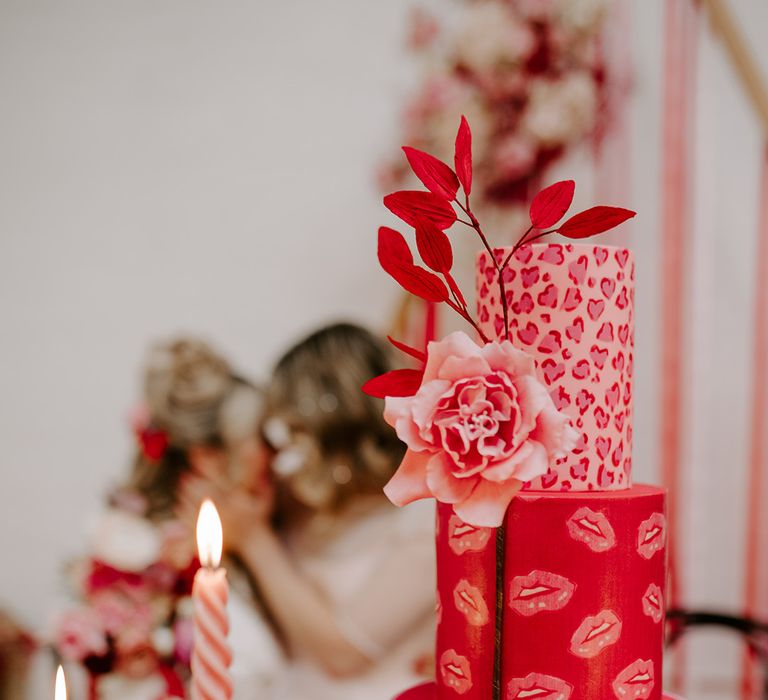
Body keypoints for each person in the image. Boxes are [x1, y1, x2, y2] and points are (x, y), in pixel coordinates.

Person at [179, 323, 436, 700]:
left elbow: (345, 655)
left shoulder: (422, 517)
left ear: (339, 429)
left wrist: (254, 541)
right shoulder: (303, 504)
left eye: (294, 432)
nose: (282, 455)